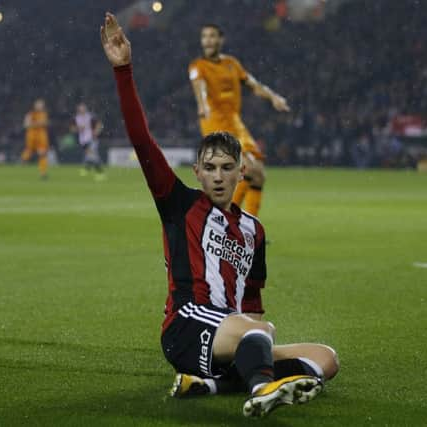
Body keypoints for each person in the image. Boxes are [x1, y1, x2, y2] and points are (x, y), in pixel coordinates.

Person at [100, 13, 338, 418]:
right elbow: (142, 141)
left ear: (241, 172)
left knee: (326, 358)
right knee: (260, 333)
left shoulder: (253, 231)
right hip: (186, 330)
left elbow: (253, 304)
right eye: (209, 168)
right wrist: (124, 69)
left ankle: (211, 384)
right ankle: (262, 388)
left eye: (227, 168)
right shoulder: (179, 203)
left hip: (232, 334)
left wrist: (255, 334)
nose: (218, 176)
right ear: (196, 172)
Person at [189, 24, 290, 217]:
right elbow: (198, 84)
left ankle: (250, 228)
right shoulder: (197, 66)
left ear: (221, 40)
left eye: (212, 36)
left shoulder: (232, 64)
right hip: (215, 125)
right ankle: (228, 222)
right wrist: (202, 103)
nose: (208, 40)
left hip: (236, 125)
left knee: (258, 175)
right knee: (247, 170)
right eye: (204, 36)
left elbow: (253, 84)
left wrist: (273, 97)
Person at [71, 103, 105, 180]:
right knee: (90, 156)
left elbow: (99, 124)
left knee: (92, 155)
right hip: (83, 140)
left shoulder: (91, 116)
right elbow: (72, 129)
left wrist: (96, 131)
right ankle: (87, 168)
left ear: (85, 109)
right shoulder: (76, 118)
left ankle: (100, 172)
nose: (82, 110)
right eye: (80, 109)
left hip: (92, 139)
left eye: (83, 108)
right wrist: (78, 129)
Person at [21, 98, 50, 179]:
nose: (40, 106)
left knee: (42, 154)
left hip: (41, 136)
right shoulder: (30, 114)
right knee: (29, 150)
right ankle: (23, 159)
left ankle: (43, 173)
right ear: (35, 105)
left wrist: (38, 123)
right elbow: (26, 124)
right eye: (38, 104)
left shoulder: (44, 114)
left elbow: (45, 123)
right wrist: (37, 123)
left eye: (41, 105)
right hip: (32, 136)